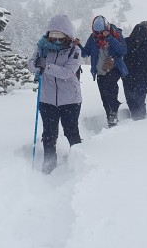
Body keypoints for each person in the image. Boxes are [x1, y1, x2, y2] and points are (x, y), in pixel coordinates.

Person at [27, 14, 83, 174]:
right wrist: (37, 65)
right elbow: (31, 64)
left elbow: (67, 72)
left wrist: (47, 66)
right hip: (47, 99)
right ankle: (49, 163)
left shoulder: (74, 50)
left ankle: (79, 162)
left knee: (71, 131)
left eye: (60, 38)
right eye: (53, 37)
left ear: (68, 36)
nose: (56, 41)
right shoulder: (42, 48)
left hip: (70, 100)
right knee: (49, 134)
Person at [80, 15, 128, 127]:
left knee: (110, 86)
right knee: (104, 96)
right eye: (98, 33)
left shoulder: (116, 34)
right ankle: (111, 119)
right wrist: (78, 46)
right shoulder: (93, 38)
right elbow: (85, 53)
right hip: (100, 71)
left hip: (114, 68)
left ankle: (114, 111)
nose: (100, 35)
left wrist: (110, 38)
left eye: (102, 32)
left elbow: (123, 51)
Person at [122, 23, 147, 120]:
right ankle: (136, 118)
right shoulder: (126, 43)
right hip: (128, 77)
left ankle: (141, 120)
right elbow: (118, 57)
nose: (138, 39)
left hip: (142, 78)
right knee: (131, 100)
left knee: (139, 99)